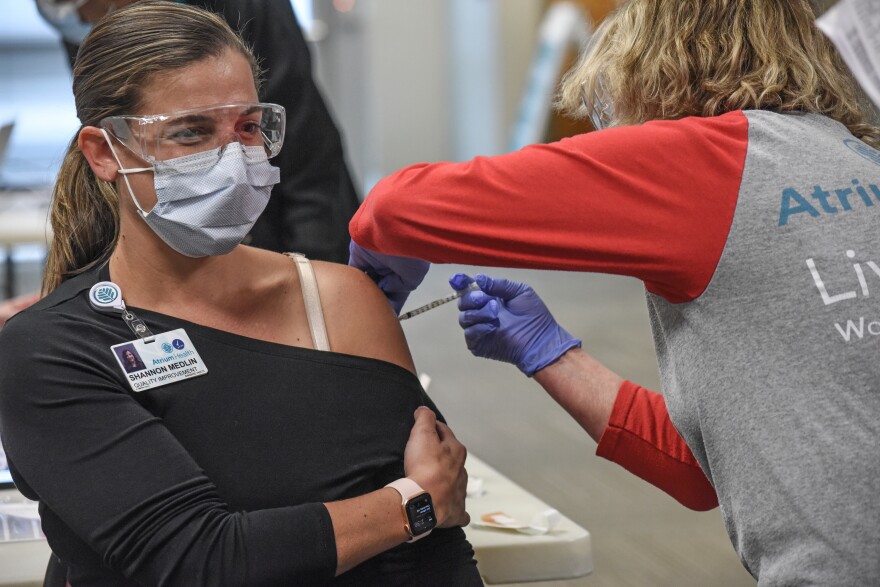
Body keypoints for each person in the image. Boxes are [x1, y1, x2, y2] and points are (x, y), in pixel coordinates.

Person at [348, 0, 880, 583]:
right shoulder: (851, 156)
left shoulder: (701, 160)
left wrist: (368, 284)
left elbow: (397, 208)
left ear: (654, 69)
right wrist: (549, 352)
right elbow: (706, 471)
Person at [0, 3, 480, 585]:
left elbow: (440, 559)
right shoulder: (50, 350)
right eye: (190, 132)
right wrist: (414, 505)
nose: (234, 160)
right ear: (105, 153)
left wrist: (417, 508)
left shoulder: (336, 299)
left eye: (248, 128)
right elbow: (198, 561)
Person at [35, 0, 361, 263]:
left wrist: (315, 278)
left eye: (249, 126)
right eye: (190, 132)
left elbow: (311, 164)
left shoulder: (249, 14)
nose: (91, 25)